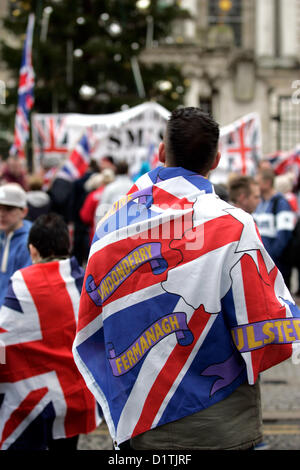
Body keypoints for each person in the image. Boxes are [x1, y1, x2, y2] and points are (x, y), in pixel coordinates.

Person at [73, 107, 300, 451]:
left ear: (162, 153)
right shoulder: (233, 226)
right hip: (216, 420)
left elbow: (94, 311)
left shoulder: (111, 226)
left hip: (140, 413)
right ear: (216, 159)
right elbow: (265, 323)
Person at [0, 213, 100, 450]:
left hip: (34, 400)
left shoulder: (24, 282)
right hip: (76, 397)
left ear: (32, 251)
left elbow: (5, 339)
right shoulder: (86, 281)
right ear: (67, 244)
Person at [253, 168, 296, 288]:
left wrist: (272, 257)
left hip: (276, 263)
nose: (255, 186)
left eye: (258, 182)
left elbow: (284, 234)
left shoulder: (281, 202)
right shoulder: (259, 203)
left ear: (267, 183)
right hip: (262, 263)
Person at [0, 183, 32, 307]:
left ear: (24, 211)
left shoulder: (28, 243)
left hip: (11, 317)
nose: (2, 214)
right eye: (0, 208)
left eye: (8, 208)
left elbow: (23, 289)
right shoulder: (3, 235)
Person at [94, 161, 132, 227]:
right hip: (130, 226)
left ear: (116, 171)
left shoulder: (109, 188)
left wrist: (98, 227)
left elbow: (101, 209)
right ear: (127, 171)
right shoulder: (134, 187)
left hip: (112, 226)